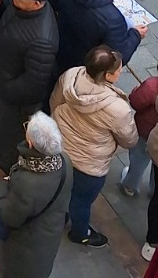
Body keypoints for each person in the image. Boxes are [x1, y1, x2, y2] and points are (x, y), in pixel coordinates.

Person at [0, 111, 72, 278]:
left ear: (31, 142)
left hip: (25, 248)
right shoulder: (65, 162)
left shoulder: (27, 183)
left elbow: (9, 216)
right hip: (47, 237)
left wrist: (3, 186)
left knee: (6, 269)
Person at [50, 45, 137, 247]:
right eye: (118, 70)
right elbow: (129, 140)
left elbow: (55, 102)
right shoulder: (118, 108)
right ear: (107, 75)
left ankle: (57, 217)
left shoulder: (71, 76)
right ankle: (81, 233)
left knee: (59, 188)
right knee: (81, 200)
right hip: (89, 164)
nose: (121, 71)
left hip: (61, 148)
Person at [0, 0, 60, 180]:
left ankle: (5, 166)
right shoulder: (23, 9)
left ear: (36, 3)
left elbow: (34, 83)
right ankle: (0, 139)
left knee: (10, 131)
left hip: (14, 97)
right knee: (2, 125)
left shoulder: (42, 40)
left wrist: (6, 90)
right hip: (4, 80)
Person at [50, 0, 144, 76]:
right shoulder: (113, 19)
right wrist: (136, 34)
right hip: (80, 61)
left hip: (55, 39)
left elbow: (52, 2)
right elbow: (117, 58)